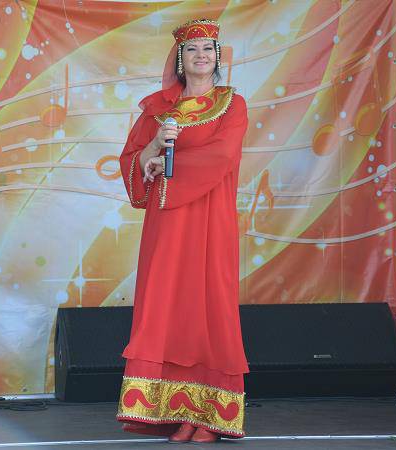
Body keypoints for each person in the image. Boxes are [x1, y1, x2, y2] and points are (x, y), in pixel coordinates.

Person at [116, 18, 249, 444]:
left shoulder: (232, 104)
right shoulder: (158, 110)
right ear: (179, 59)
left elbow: (222, 157)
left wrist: (171, 169)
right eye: (192, 49)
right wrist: (154, 149)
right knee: (166, 305)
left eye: (208, 49)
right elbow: (131, 160)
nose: (200, 56)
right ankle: (175, 410)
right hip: (167, 223)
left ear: (218, 56)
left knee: (209, 306)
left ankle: (209, 414)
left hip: (210, 219)